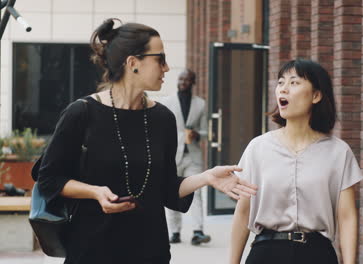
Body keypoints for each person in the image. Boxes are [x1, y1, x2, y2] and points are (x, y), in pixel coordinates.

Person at [36, 18, 257, 264]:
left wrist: (205, 178)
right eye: (160, 59)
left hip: (150, 251)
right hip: (92, 250)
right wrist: (94, 192)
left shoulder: (162, 118)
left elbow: (166, 189)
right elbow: (49, 180)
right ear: (133, 63)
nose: (167, 68)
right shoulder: (81, 113)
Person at [229, 59, 363, 264]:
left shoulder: (338, 152)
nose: (283, 89)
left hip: (317, 255)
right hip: (266, 254)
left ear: (316, 95)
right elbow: (243, 212)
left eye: (294, 83)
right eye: (281, 82)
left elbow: (347, 217)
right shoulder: (258, 148)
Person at [160, 69, 211, 245]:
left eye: (187, 79)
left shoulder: (201, 104)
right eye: (181, 79)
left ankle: (198, 231)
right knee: (171, 191)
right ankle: (174, 232)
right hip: (172, 155)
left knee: (196, 192)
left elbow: (206, 132)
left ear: (193, 82)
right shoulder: (166, 102)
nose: (183, 82)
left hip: (193, 156)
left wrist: (198, 134)